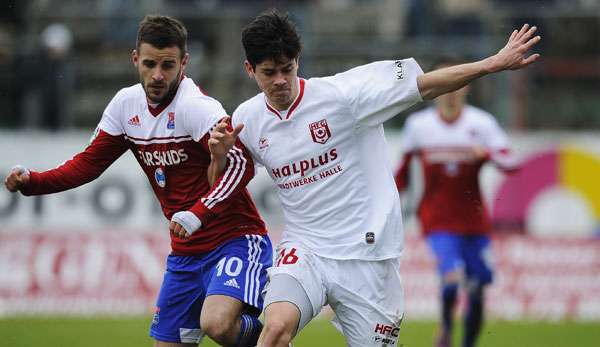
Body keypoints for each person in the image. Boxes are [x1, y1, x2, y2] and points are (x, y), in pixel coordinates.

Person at [209, 10, 540, 347]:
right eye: (269, 72)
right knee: (276, 329)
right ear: (250, 69)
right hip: (305, 248)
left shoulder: (344, 95)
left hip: (368, 256)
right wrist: (218, 157)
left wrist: (491, 64)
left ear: (298, 60)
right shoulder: (247, 118)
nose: (280, 80)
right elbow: (221, 185)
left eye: (287, 69)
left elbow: (425, 84)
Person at [3, 15, 271, 347]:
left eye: (168, 65)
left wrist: (200, 212)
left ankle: (273, 339)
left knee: (217, 323)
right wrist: (33, 182)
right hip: (185, 253)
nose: (158, 75)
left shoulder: (196, 107)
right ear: (135, 60)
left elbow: (242, 165)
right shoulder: (125, 106)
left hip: (236, 240)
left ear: (184, 63)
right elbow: (87, 164)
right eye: (149, 64)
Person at [395, 57, 519, 347]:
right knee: (451, 280)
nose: (450, 90)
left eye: (456, 84)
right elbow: (402, 175)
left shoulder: (481, 123)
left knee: (477, 288)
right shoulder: (419, 126)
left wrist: (486, 154)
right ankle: (447, 332)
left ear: (465, 87)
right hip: (437, 220)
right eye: (443, 83)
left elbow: (511, 161)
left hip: (474, 222)